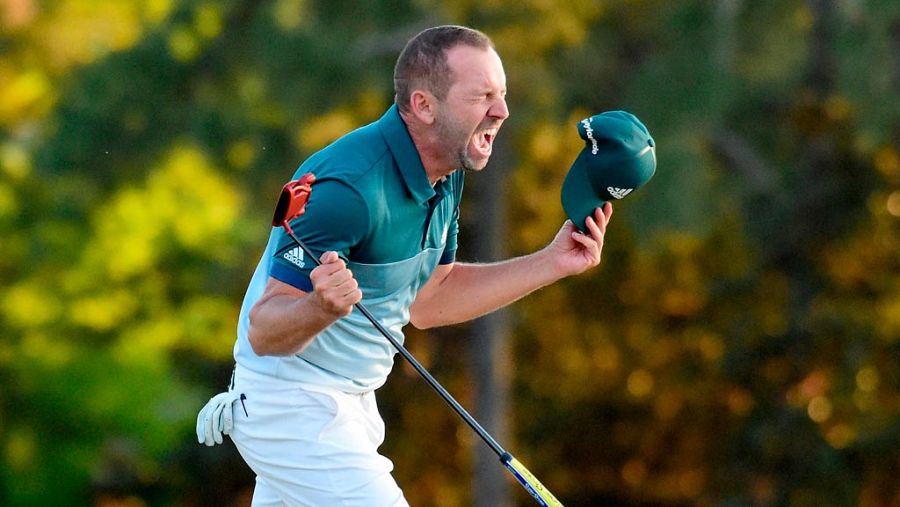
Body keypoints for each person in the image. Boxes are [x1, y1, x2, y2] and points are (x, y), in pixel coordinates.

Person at [197, 24, 613, 506]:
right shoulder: (347, 190)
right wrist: (320, 308)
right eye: (482, 96)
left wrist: (552, 262)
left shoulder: (447, 171)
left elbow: (430, 301)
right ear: (423, 105)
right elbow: (264, 332)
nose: (501, 111)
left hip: (350, 408)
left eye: (501, 94)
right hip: (290, 405)